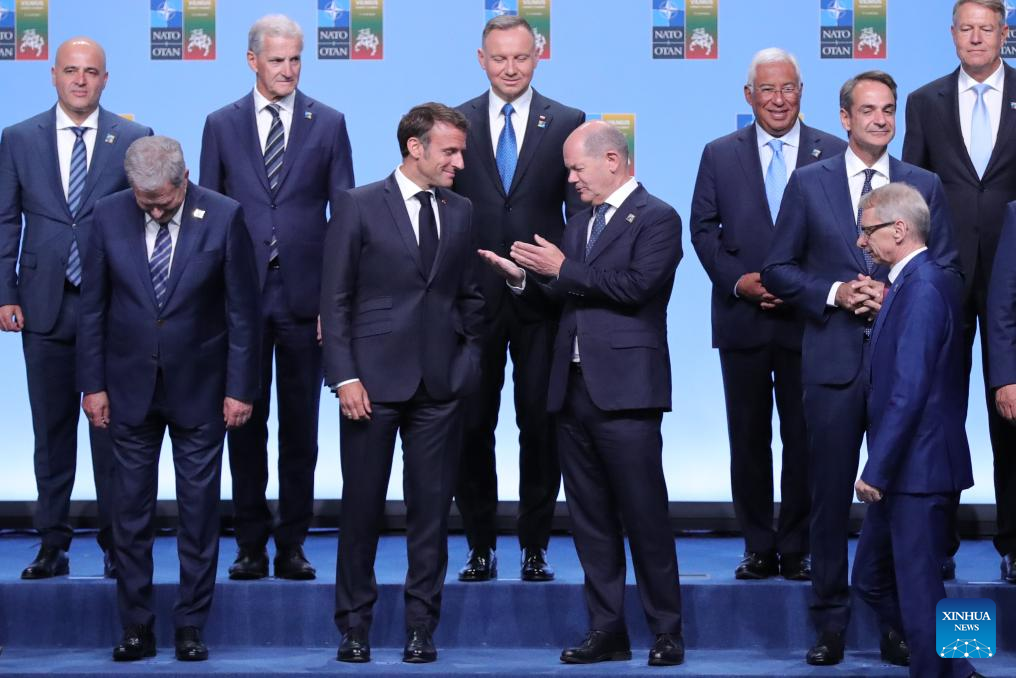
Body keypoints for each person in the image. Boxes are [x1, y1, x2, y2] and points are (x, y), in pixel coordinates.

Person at [761, 70, 960, 667]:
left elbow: (946, 272)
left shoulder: (923, 185)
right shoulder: (809, 182)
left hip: (906, 394)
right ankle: (836, 626)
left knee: (913, 538)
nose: (880, 119)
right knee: (833, 505)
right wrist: (836, 293)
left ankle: (936, 649)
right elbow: (777, 269)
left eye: (889, 109)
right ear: (844, 118)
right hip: (837, 367)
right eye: (868, 109)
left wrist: (893, 293)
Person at [479, 120, 685, 667]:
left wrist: (563, 268)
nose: (571, 179)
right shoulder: (579, 223)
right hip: (571, 390)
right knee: (590, 520)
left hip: (627, 392)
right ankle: (607, 629)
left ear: (612, 160)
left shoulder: (658, 217)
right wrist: (523, 280)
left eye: (577, 168)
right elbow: (564, 299)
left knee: (644, 516)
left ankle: (667, 630)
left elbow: (636, 289)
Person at [77, 136, 260, 662]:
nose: (155, 212)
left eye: (163, 201)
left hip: (202, 390)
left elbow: (243, 312)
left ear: (185, 180)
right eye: (145, 201)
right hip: (127, 389)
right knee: (128, 514)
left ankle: (190, 625)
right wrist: (93, 385)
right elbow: (92, 307)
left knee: (198, 514)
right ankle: (136, 625)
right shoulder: (108, 214)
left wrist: (240, 388)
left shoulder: (224, 215)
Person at [321, 103, 485, 665]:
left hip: (440, 387)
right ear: (415, 148)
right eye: (450, 151)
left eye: (461, 152)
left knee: (431, 514)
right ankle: (354, 627)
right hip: (369, 385)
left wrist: (467, 360)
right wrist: (344, 376)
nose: (459, 162)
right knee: (361, 511)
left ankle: (421, 627)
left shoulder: (462, 210)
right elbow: (334, 299)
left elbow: (469, 294)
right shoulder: (359, 204)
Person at [200, 14, 355, 581]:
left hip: (304, 301)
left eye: (295, 60)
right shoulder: (221, 124)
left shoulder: (329, 122)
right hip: (238, 299)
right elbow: (206, 216)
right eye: (277, 60)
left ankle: (292, 543)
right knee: (243, 422)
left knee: (300, 430)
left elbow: (345, 220)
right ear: (252, 61)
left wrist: (333, 304)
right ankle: (249, 543)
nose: (288, 70)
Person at [690, 47, 846, 581]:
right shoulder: (718, 153)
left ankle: (798, 546)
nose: (778, 100)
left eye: (788, 89)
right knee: (748, 439)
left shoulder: (834, 151)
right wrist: (743, 283)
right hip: (743, 319)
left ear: (801, 92)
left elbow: (842, 235)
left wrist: (799, 287)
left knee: (806, 440)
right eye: (768, 90)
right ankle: (758, 545)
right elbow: (703, 231)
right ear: (748, 95)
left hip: (810, 321)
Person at [0, 36, 152, 579]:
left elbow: (146, 225)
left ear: (105, 79)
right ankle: (52, 543)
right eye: (71, 70)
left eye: (91, 71)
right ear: (53, 75)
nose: (80, 80)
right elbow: (6, 219)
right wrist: (5, 292)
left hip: (111, 308)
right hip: (42, 304)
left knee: (112, 433)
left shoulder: (133, 137)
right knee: (51, 432)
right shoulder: (18, 138)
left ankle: (117, 543)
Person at [451, 14, 585, 582]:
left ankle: (535, 546)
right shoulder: (453, 121)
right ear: (481, 60)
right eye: (500, 58)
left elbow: (580, 216)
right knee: (471, 425)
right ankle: (479, 545)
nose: (510, 68)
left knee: (540, 425)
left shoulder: (568, 121)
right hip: (472, 299)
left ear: (538, 56)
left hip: (541, 299)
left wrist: (567, 277)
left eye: (521, 57)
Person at [902, 0, 1016, 582]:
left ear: (1004, 32)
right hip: (943, 280)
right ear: (951, 35)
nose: (976, 38)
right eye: (966, 29)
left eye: (986, 28)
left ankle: (1015, 542)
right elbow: (911, 193)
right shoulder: (925, 101)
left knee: (1013, 414)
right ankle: (936, 540)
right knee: (938, 412)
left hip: (1013, 282)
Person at [851, 182, 977, 678]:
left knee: (921, 593)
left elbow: (909, 389)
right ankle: (962, 669)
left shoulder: (923, 287)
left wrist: (876, 469)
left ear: (899, 229)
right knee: (872, 579)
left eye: (868, 231)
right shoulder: (913, 282)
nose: (862, 242)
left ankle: (951, 670)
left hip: (917, 470)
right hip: (908, 469)